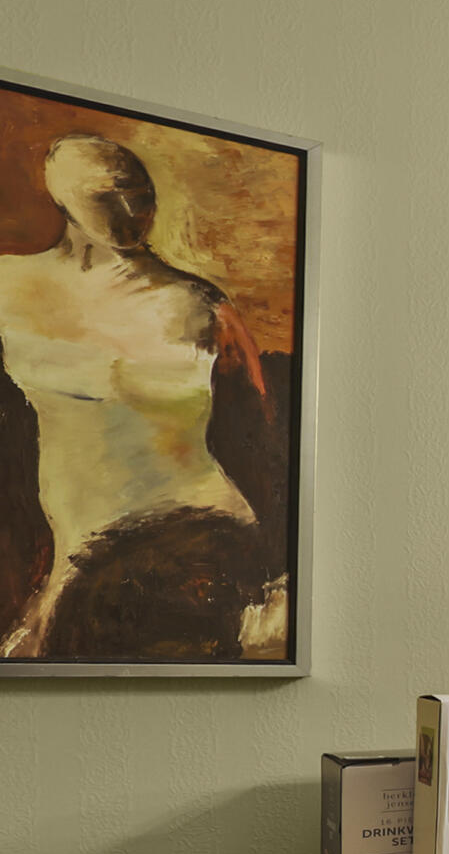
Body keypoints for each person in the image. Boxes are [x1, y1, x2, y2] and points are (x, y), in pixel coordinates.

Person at [0, 133, 282, 657]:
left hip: (199, 536)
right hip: (86, 558)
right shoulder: (8, 288)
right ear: (64, 201)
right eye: (110, 194)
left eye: (138, 194)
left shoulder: (201, 304)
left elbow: (259, 441)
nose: (129, 209)